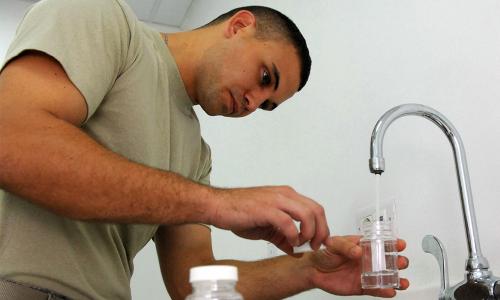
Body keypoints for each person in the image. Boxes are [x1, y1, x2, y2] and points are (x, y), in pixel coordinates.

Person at [0, 0, 409, 299]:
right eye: (265, 76)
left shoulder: (196, 156)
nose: (253, 103)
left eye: (266, 105)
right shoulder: (104, 20)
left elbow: (191, 282)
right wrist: (217, 203)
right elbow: (11, 138)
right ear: (239, 25)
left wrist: (310, 271)